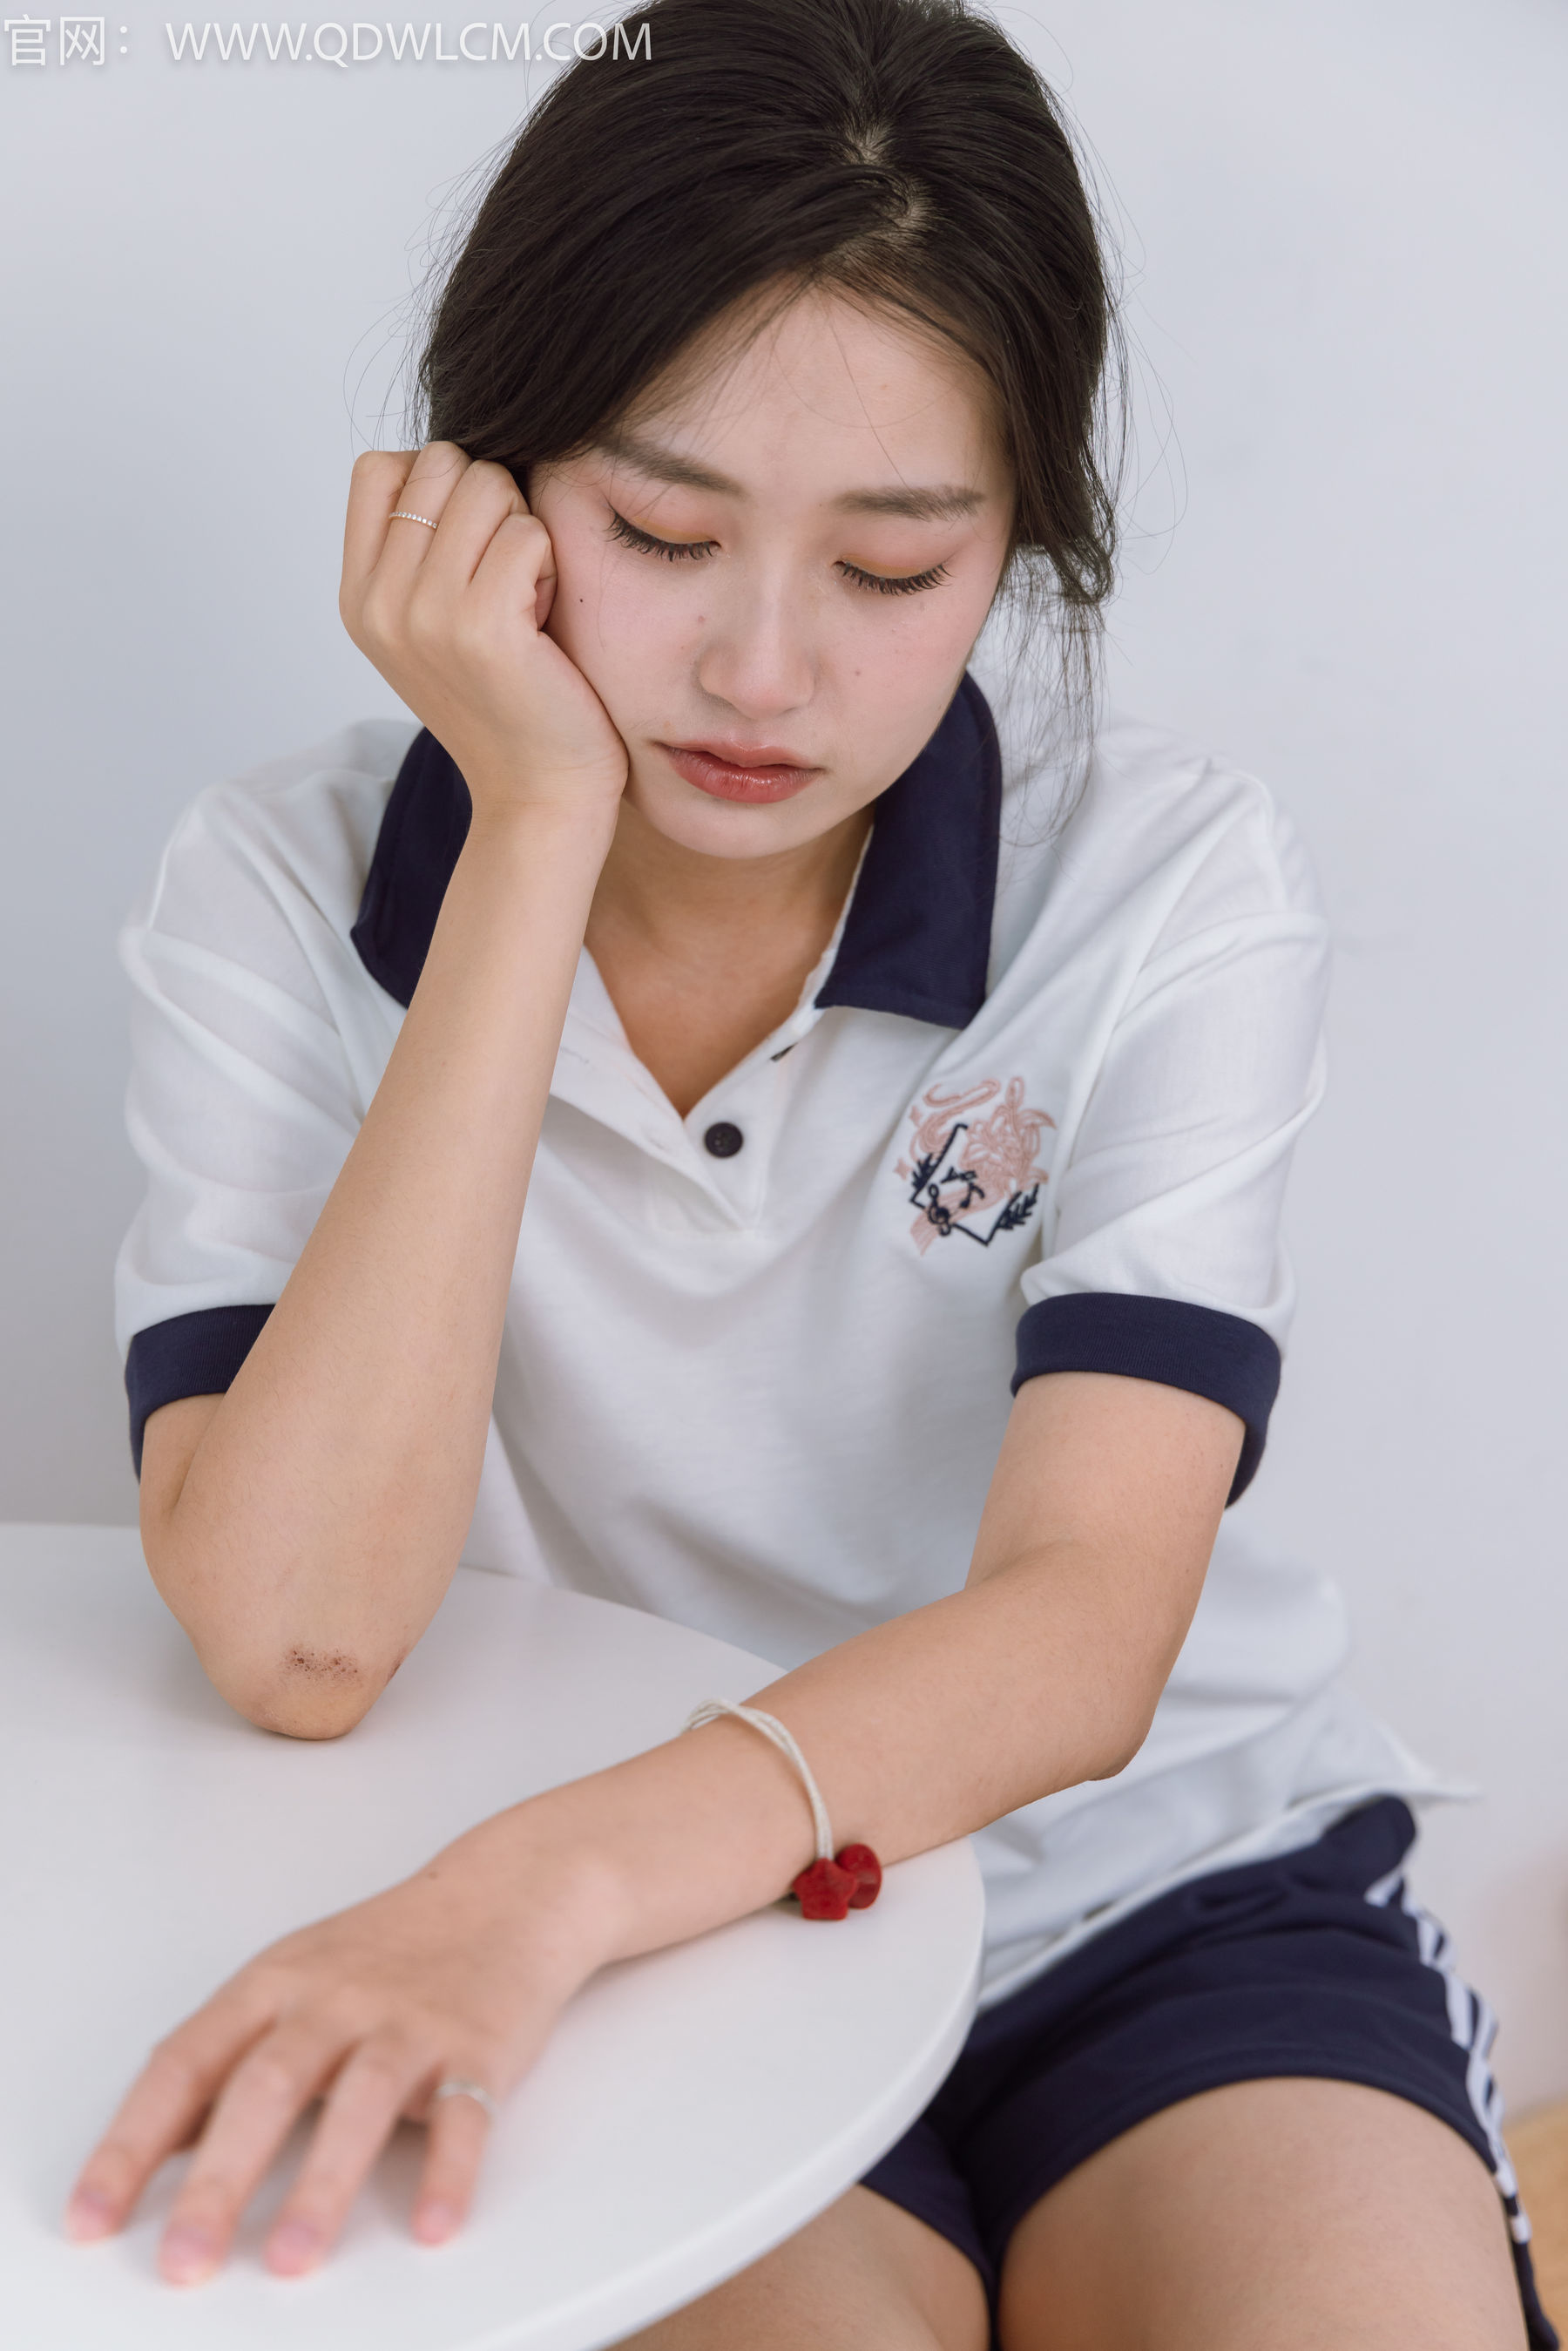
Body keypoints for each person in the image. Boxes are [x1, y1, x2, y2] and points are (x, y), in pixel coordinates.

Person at [67, 2, 1553, 2343]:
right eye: (663, 534)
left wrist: (554, 1878)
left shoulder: (1161, 880)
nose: (762, 669)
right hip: (641, 1943)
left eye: (892, 566)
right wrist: (533, 830)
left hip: (1139, 1898)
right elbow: (298, 1634)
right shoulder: (275, 891)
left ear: (1014, 545)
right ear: (479, 492)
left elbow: (1087, 1623)